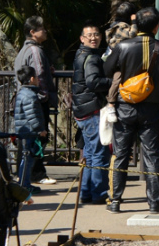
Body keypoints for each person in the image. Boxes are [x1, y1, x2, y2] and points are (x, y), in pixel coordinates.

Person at [103, 6, 159, 213]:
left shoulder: (123, 46)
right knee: (152, 154)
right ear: (156, 26)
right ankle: (155, 202)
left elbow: (108, 69)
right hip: (151, 107)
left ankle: (115, 201)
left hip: (125, 106)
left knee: (121, 154)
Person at [13, 15, 57, 186]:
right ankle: (37, 174)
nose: (45, 31)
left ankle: (23, 175)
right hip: (36, 99)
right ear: (32, 32)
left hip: (23, 97)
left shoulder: (23, 51)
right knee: (38, 137)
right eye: (42, 29)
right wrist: (44, 96)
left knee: (25, 140)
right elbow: (38, 74)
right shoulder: (35, 51)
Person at [71, 22, 111, 205]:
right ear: (82, 39)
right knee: (99, 154)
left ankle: (86, 192)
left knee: (88, 154)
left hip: (82, 109)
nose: (93, 38)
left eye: (96, 34)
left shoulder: (81, 55)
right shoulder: (92, 58)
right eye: (89, 35)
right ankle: (99, 194)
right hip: (91, 109)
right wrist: (113, 81)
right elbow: (93, 82)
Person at [14, 66, 47, 195]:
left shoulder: (22, 92)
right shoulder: (30, 95)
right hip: (29, 132)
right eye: (37, 77)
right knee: (28, 159)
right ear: (32, 79)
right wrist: (40, 129)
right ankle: (24, 184)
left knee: (26, 158)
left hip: (24, 131)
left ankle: (24, 183)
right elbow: (32, 115)